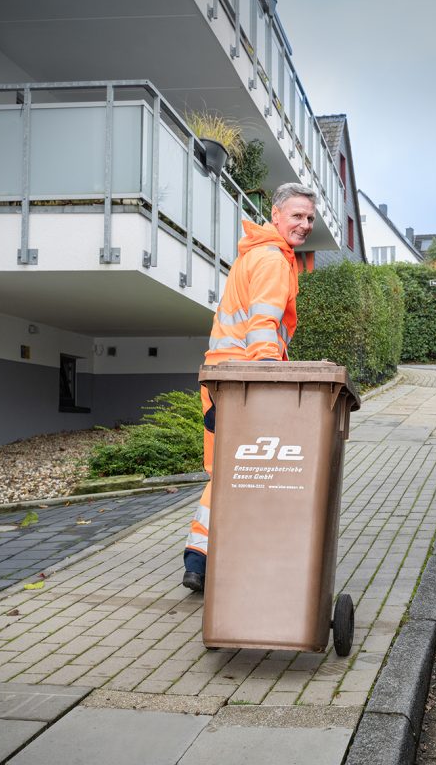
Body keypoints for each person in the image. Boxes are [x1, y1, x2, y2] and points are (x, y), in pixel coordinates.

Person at [182, 182, 317, 592]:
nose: (305, 224)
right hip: (244, 382)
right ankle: (238, 557)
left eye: (310, 218)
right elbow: (263, 324)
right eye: (297, 215)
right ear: (275, 214)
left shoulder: (252, 254)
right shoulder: (273, 259)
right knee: (254, 471)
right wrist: (269, 376)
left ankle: (199, 558)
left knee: (226, 471)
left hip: (219, 380)